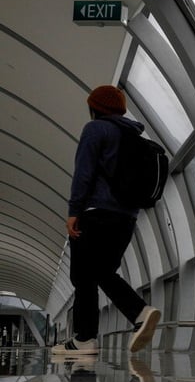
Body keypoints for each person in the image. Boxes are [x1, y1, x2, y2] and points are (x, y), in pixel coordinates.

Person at [52, 85, 161, 356]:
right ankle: (89, 336)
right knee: (100, 271)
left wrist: (74, 212)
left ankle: (96, 334)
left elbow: (84, 173)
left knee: (83, 274)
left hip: (95, 214)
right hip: (127, 219)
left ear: (95, 108)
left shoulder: (96, 130)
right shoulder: (135, 136)